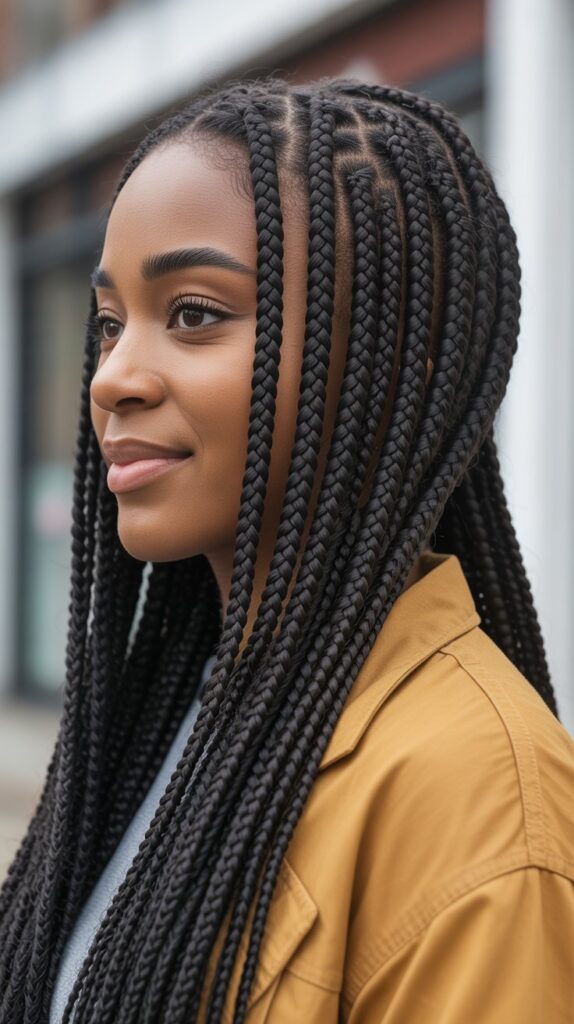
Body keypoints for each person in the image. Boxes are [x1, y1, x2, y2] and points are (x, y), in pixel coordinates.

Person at [0, 75, 572, 1023]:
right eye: (108, 325)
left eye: (193, 313)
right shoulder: (174, 710)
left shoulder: (478, 807)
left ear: (392, 364)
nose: (113, 378)